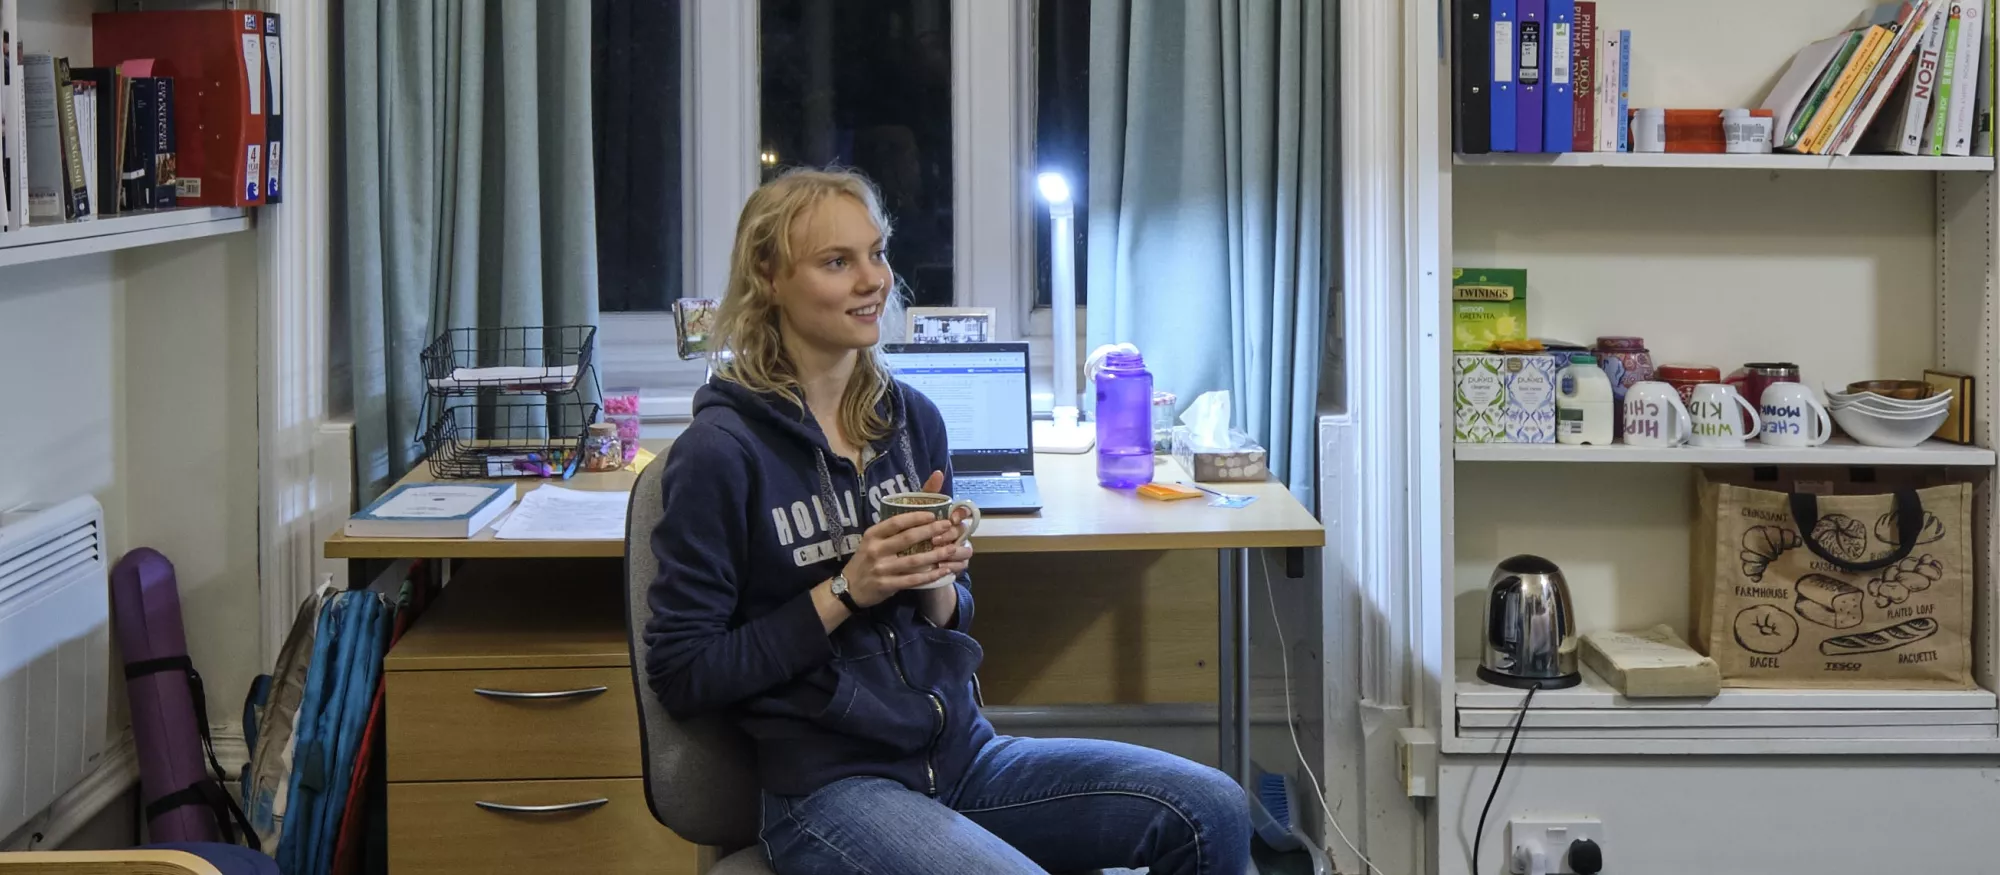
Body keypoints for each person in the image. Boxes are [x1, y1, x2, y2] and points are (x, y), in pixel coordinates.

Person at [642, 167, 1251, 875]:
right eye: (838, 262)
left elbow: (948, 616)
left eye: (876, 252)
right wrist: (846, 590)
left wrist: (938, 580)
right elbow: (684, 671)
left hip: (962, 757)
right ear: (769, 277)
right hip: (831, 791)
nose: (873, 280)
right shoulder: (721, 453)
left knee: (1212, 808)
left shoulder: (909, 421)